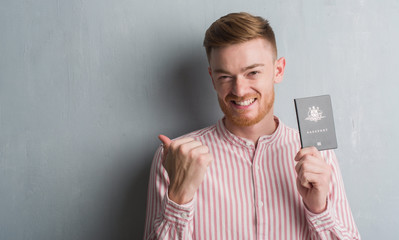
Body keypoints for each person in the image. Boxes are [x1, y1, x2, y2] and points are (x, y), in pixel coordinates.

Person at [144, 12, 360, 240]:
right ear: (212, 78)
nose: (239, 90)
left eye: (253, 72)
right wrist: (179, 198)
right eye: (226, 76)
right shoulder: (174, 158)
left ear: (278, 70)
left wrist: (319, 211)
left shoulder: (318, 155)